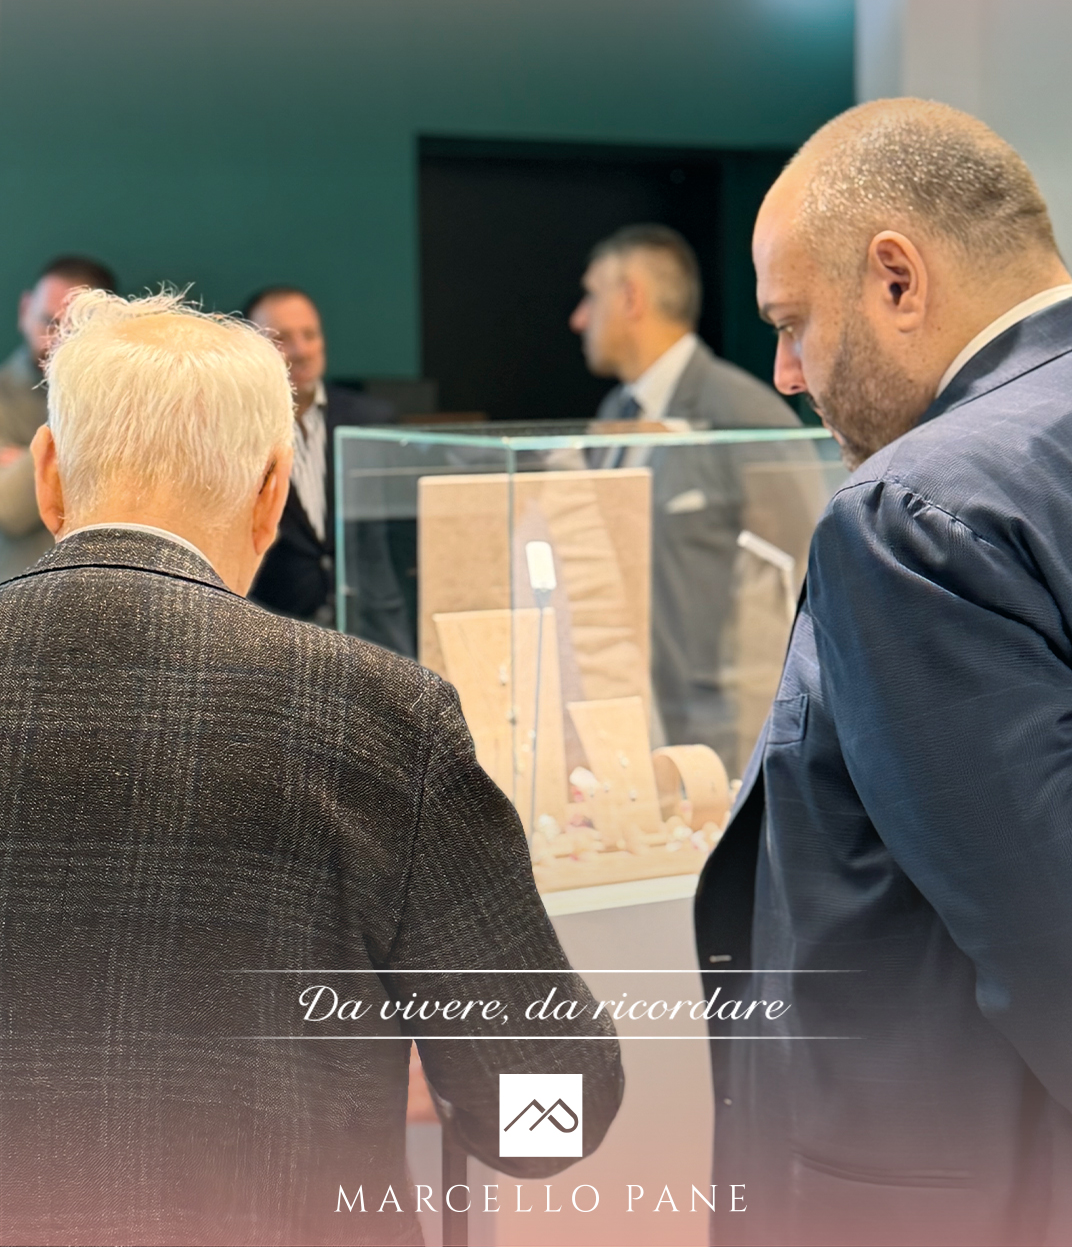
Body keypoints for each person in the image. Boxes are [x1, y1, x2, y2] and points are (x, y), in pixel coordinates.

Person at [0, 289, 622, 1247]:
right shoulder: (381, 718)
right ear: (272, 492)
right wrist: (441, 1084)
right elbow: (554, 1116)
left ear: (49, 475)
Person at [696, 98, 1072, 1247]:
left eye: (793, 322)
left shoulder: (914, 512)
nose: (785, 372)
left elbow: (1055, 942)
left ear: (898, 280)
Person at [570, 225, 811, 769]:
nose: (579, 318)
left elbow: (799, 572)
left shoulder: (742, 413)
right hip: (633, 724)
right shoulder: (614, 414)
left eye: (591, 295)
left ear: (630, 297)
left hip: (725, 734)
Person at [244, 285, 411, 651]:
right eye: (282, 339)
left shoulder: (371, 421)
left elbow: (398, 534)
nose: (301, 351)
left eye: (310, 335)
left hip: (376, 628)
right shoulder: (236, 431)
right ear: (253, 350)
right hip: (278, 631)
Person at [0, 254, 116, 579]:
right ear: (25, 310)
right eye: (48, 322)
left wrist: (31, 462)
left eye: (73, 330)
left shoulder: (124, 408)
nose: (55, 342)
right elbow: (9, 508)